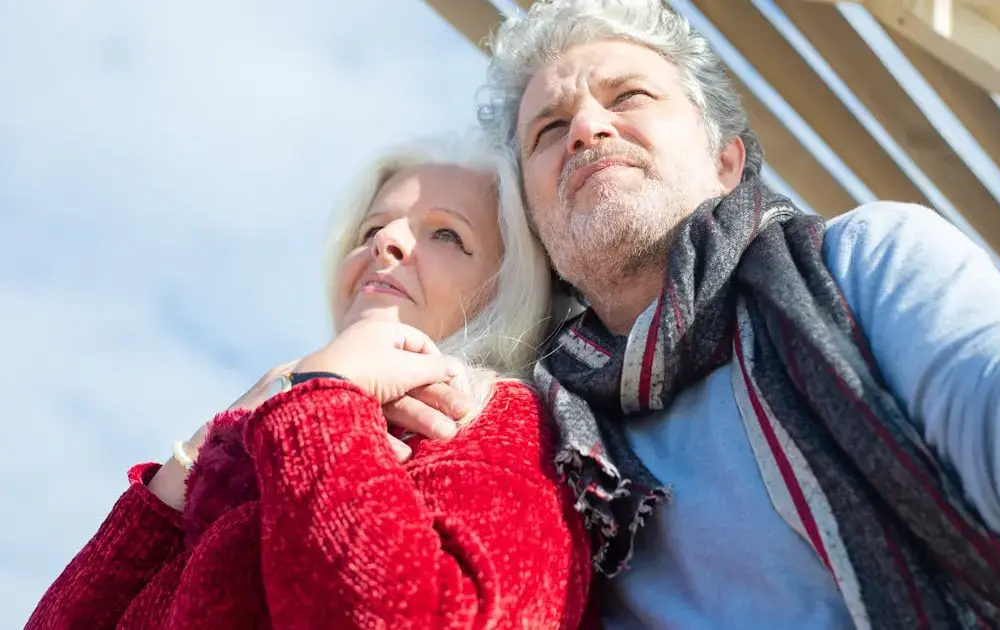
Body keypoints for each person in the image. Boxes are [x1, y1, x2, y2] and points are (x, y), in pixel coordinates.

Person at [463, 1, 1000, 628]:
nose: (587, 129)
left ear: (726, 161)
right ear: (538, 229)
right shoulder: (529, 430)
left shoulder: (860, 259)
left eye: (627, 97)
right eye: (548, 131)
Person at [26, 135, 594, 629]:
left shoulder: (500, 423)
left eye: (446, 234)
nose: (386, 241)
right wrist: (212, 441)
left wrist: (321, 395)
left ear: (505, 288)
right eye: (373, 226)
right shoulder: (263, 441)